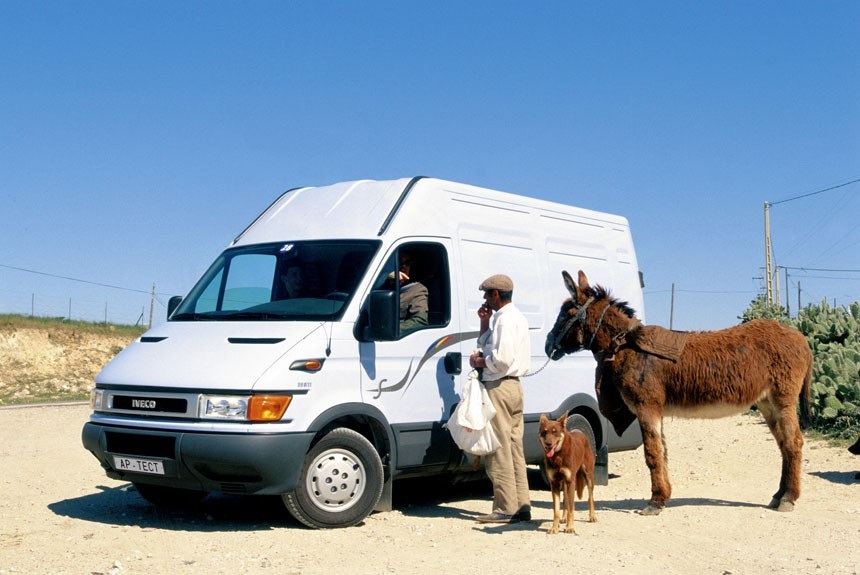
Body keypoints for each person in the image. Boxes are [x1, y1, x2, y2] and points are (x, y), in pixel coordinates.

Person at [469, 274, 531, 523]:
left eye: (487, 294)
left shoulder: (504, 320)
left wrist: (479, 362)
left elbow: (501, 359)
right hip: (514, 388)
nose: (485, 299)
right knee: (515, 448)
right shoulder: (515, 317)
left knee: (500, 449)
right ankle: (522, 505)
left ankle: (505, 507)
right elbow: (490, 344)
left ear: (496, 294)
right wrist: (484, 324)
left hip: (499, 386)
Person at [384, 251, 428, 333]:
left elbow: (420, 321)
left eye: (407, 263)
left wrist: (391, 330)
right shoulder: (382, 286)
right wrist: (385, 277)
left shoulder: (417, 290)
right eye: (399, 262)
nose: (403, 266)